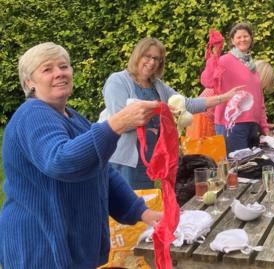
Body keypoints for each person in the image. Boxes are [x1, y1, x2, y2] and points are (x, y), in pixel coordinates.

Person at [0, 42, 162, 268]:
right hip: (40, 245)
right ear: (30, 82)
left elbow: (102, 171)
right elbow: (62, 161)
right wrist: (118, 122)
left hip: (70, 242)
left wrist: (142, 212)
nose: (59, 73)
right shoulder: (32, 114)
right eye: (47, 69)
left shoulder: (71, 116)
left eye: (64, 66)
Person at [103, 37, 238, 189]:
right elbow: (120, 121)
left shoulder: (157, 85)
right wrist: (159, 109)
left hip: (149, 160)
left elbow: (187, 104)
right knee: (124, 208)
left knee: (144, 205)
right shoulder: (118, 81)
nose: (152, 62)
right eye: (148, 56)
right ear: (137, 55)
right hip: (124, 161)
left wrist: (224, 97)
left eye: (157, 59)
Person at [201, 22, 269, 153]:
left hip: (252, 125)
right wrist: (214, 56)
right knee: (237, 167)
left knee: (249, 168)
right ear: (232, 41)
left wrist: (264, 127)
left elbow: (259, 100)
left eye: (246, 36)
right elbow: (207, 81)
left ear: (251, 39)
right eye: (239, 37)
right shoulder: (225, 60)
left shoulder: (252, 67)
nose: (243, 39)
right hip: (232, 125)